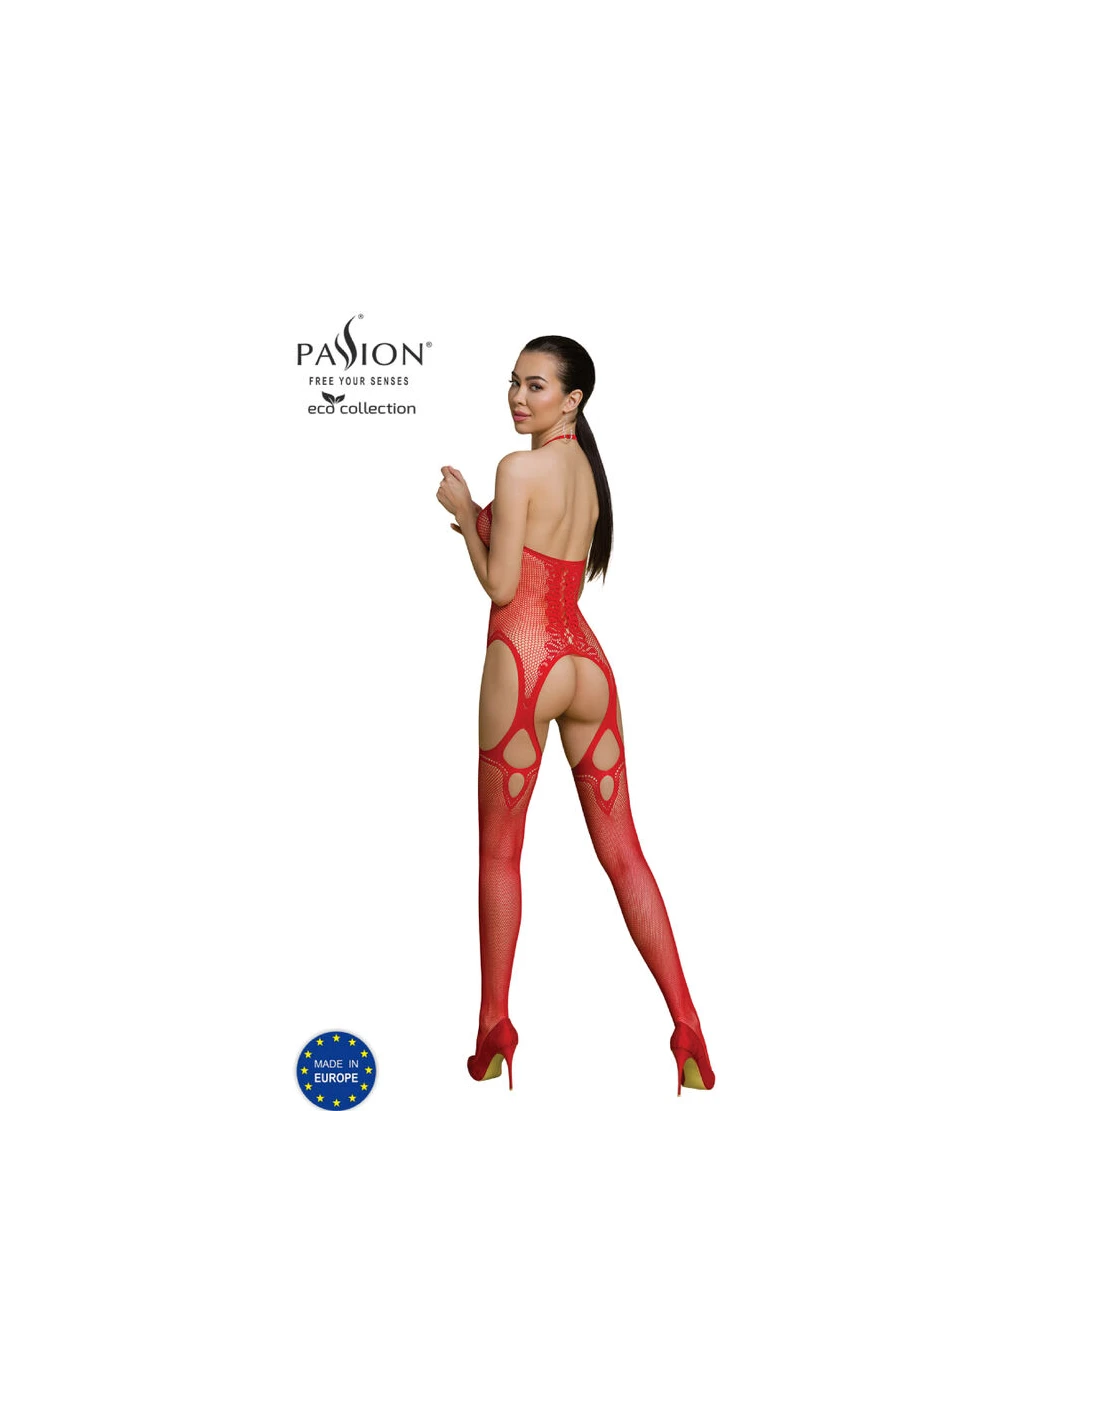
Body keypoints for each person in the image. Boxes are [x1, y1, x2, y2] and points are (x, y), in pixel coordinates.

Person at [436, 335, 715, 1096]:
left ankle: (494, 1026)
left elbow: (502, 587)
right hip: (586, 663)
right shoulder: (588, 474)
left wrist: (465, 517)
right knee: (625, 853)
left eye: (536, 385)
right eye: (513, 382)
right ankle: (687, 1026)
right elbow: (544, 560)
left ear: (573, 399)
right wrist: (483, 520)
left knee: (500, 854)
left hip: (524, 660)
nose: (517, 397)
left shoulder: (516, 468)